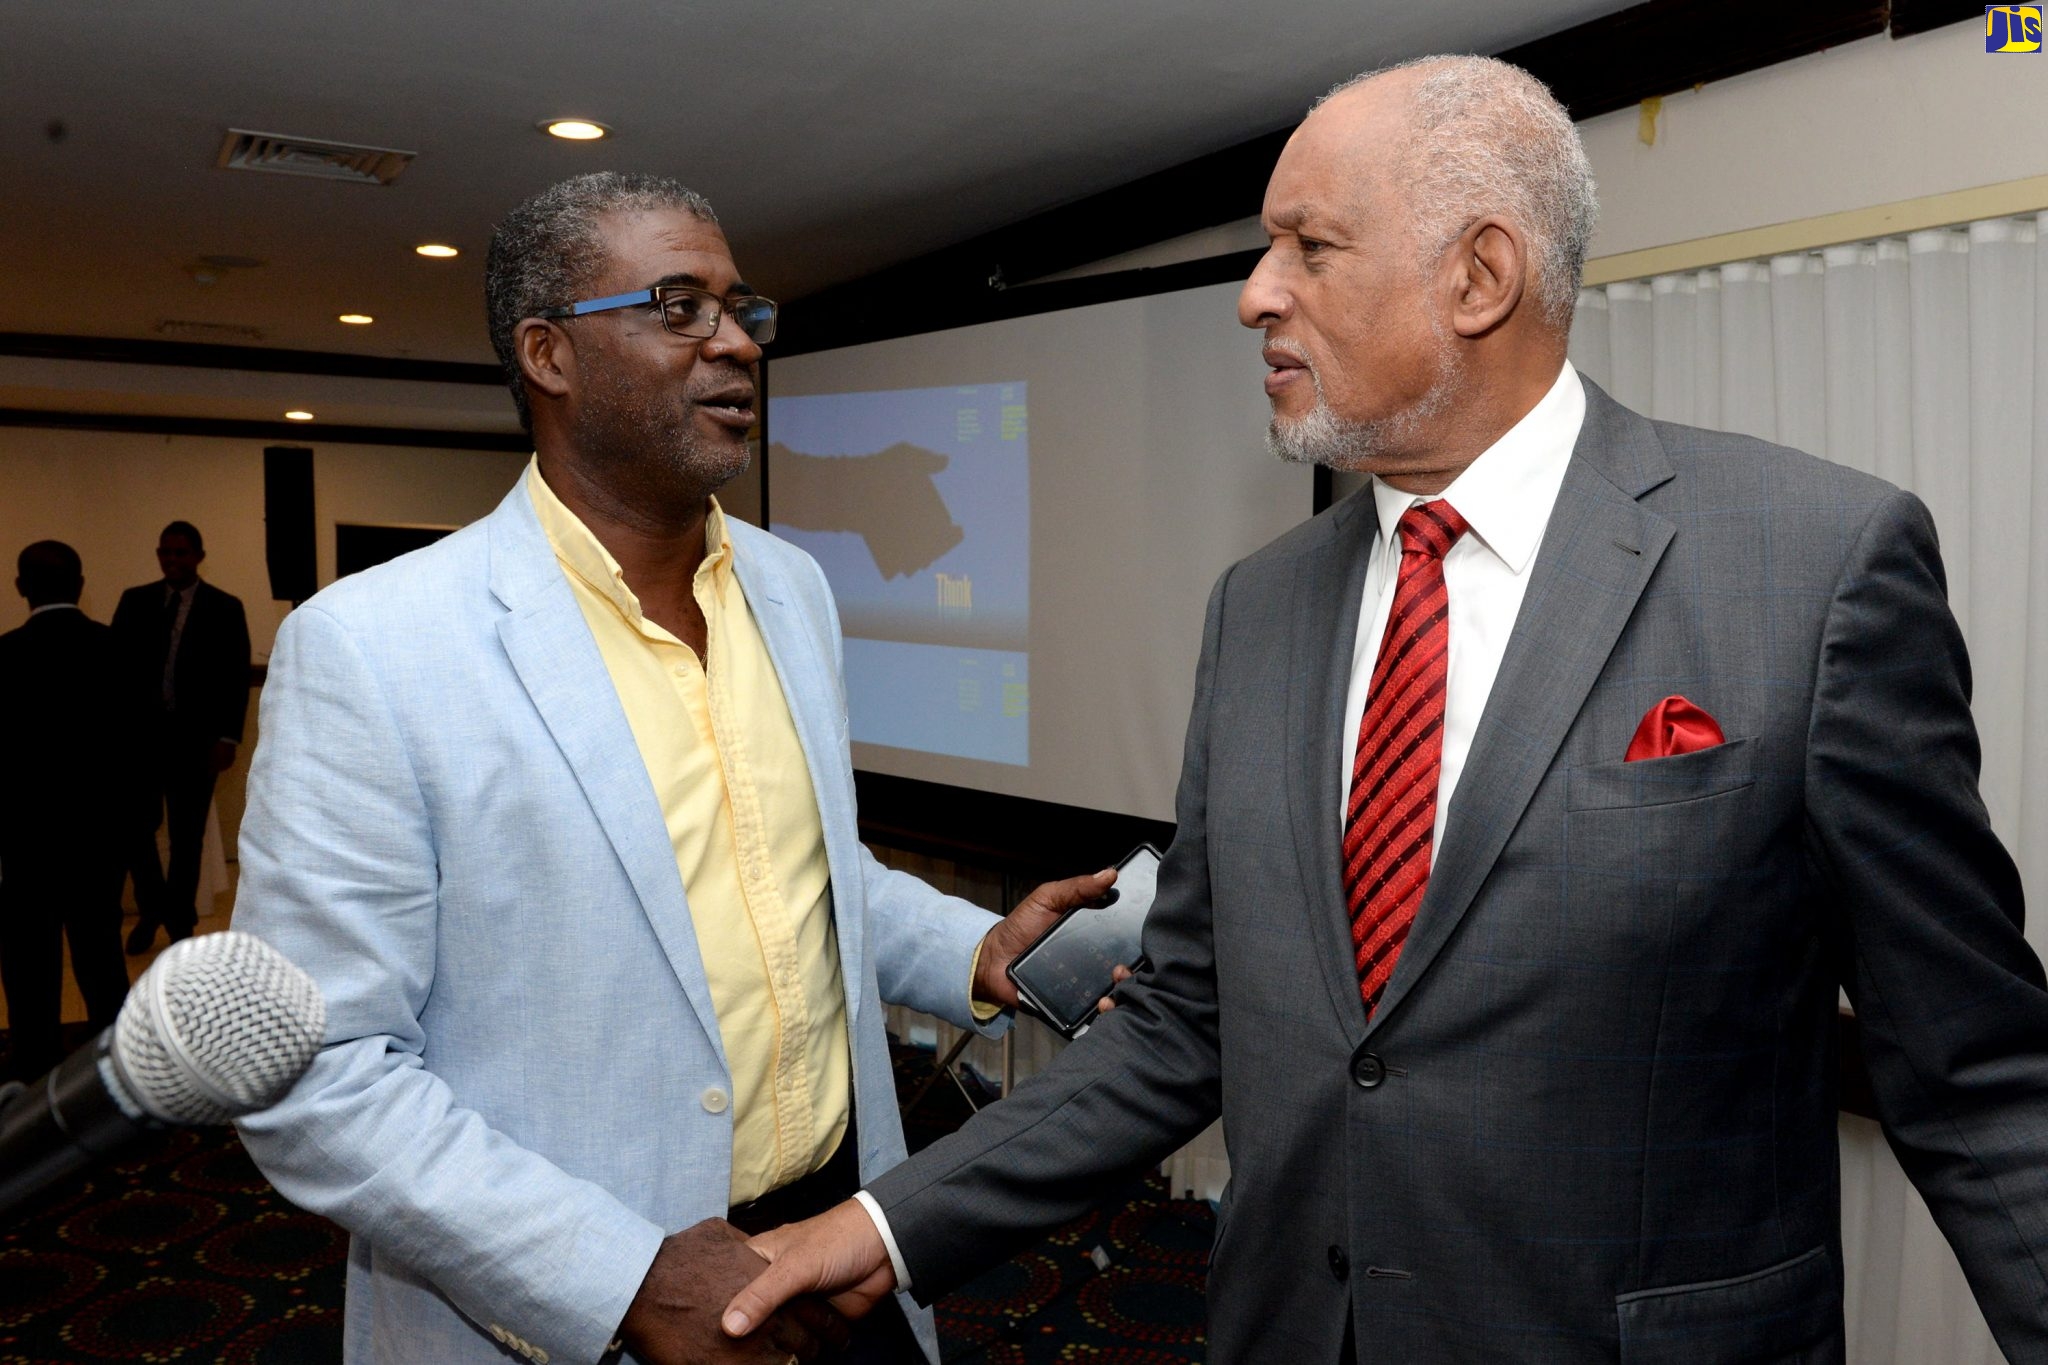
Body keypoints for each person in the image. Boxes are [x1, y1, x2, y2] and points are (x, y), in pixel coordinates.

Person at [721, 56, 2048, 1365]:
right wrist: (889, 1223)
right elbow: (1189, 1024)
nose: (1254, 296)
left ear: (1479, 276)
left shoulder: (1809, 564)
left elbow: (1975, 1073)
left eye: (1309, 246)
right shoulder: (1261, 606)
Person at [232, 171, 1114, 1365]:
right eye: (679, 307)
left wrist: (973, 948)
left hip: (840, 1251)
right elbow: (314, 1074)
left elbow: (798, 874)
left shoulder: (788, 589)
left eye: (742, 310)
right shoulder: (374, 647)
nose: (736, 347)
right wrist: (622, 1277)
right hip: (577, 1306)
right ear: (547, 354)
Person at [0, 542, 140, 1081]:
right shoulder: (117, 650)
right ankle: (118, 1065)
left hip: (25, 836)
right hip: (98, 834)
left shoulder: (3, 656)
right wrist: (136, 823)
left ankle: (34, 1062)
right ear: (81, 584)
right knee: (100, 951)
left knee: (28, 957)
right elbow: (139, 746)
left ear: (20, 587)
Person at [110, 520, 251, 952]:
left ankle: (178, 920)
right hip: (140, 741)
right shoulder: (135, 602)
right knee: (137, 831)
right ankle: (154, 908)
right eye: (165, 552)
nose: (172, 560)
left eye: (181, 553)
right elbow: (114, 669)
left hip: (197, 742)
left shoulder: (225, 607)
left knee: (188, 837)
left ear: (198, 556)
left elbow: (235, 676)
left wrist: (228, 737)